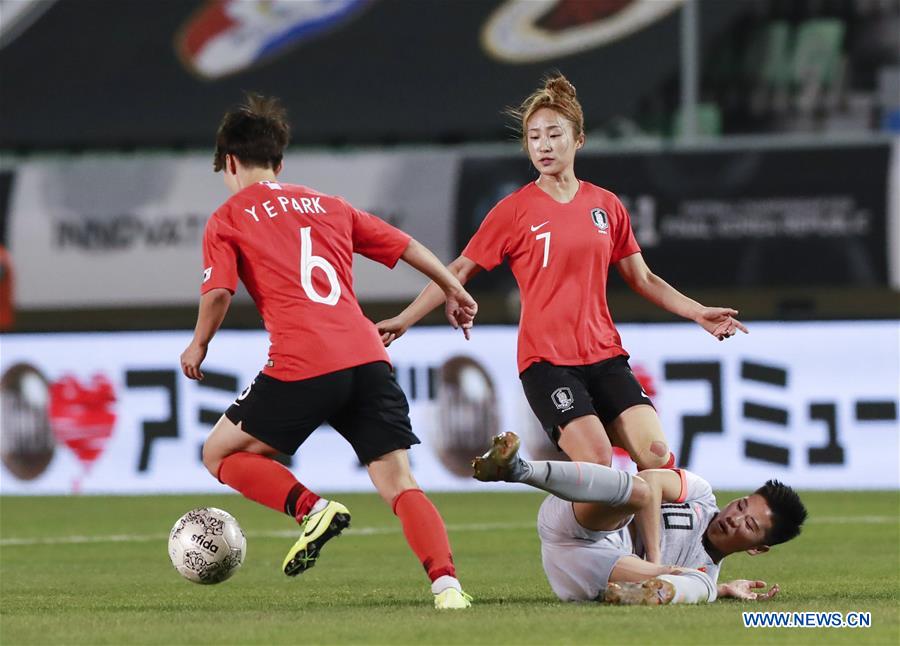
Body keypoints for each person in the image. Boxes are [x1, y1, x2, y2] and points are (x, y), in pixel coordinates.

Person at [179, 94, 476, 609]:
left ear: (229, 162)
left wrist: (199, 342)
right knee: (399, 480)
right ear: (279, 162)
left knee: (219, 453)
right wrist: (453, 287)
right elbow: (406, 245)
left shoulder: (228, 217)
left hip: (303, 361)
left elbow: (220, 292)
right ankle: (447, 587)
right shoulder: (329, 204)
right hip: (367, 356)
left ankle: (310, 509)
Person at [377, 74, 748, 471]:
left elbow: (643, 279)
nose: (543, 145)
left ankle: (649, 538)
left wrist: (698, 313)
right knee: (598, 461)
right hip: (547, 361)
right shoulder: (514, 210)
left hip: (605, 355)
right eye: (534, 137)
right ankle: (569, 532)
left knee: (658, 458)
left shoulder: (606, 205)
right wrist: (405, 319)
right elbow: (459, 270)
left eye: (554, 134)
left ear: (579, 140)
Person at [472, 432, 807, 605]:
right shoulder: (701, 496)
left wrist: (721, 588)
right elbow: (653, 477)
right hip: (581, 523)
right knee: (639, 490)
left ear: (757, 549)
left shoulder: (704, 574)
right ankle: (518, 469)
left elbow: (702, 583)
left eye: (749, 525)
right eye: (742, 505)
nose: (735, 518)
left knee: (702, 585)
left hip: (589, 572)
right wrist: (660, 562)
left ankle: (644, 594)